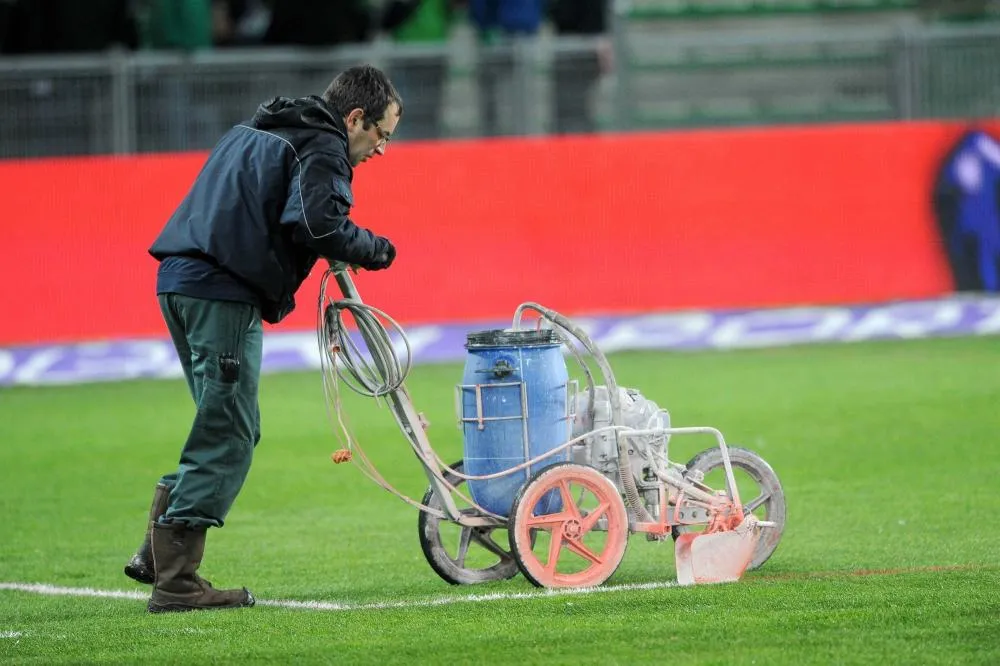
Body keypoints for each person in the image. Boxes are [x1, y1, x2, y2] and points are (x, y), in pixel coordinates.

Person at [124, 64, 403, 614]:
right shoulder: (322, 145)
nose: (381, 151)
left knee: (225, 423)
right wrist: (376, 249)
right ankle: (177, 582)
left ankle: (157, 555)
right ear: (354, 118)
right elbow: (320, 226)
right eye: (381, 135)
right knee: (229, 431)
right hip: (221, 291)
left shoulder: (260, 128)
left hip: (181, 282)